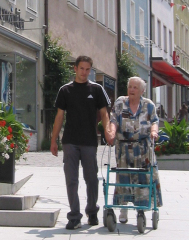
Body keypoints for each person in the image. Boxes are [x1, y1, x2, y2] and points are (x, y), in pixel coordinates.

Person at [51, 56, 111, 230]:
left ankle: (92, 212)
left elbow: (104, 113)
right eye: (82, 68)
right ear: (75, 69)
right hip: (70, 141)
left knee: (91, 178)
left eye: (88, 69)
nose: (84, 72)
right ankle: (74, 216)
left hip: (89, 141)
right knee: (71, 179)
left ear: (90, 70)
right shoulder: (65, 90)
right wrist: (54, 140)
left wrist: (107, 131)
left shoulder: (97, 89)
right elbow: (59, 116)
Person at [105, 77, 163, 224]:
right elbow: (113, 120)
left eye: (135, 87)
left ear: (142, 91)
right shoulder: (120, 103)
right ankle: (123, 208)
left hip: (143, 149)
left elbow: (154, 121)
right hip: (124, 149)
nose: (131, 89)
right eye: (130, 86)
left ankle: (141, 209)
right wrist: (111, 133)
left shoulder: (148, 105)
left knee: (143, 178)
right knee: (123, 177)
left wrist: (154, 132)